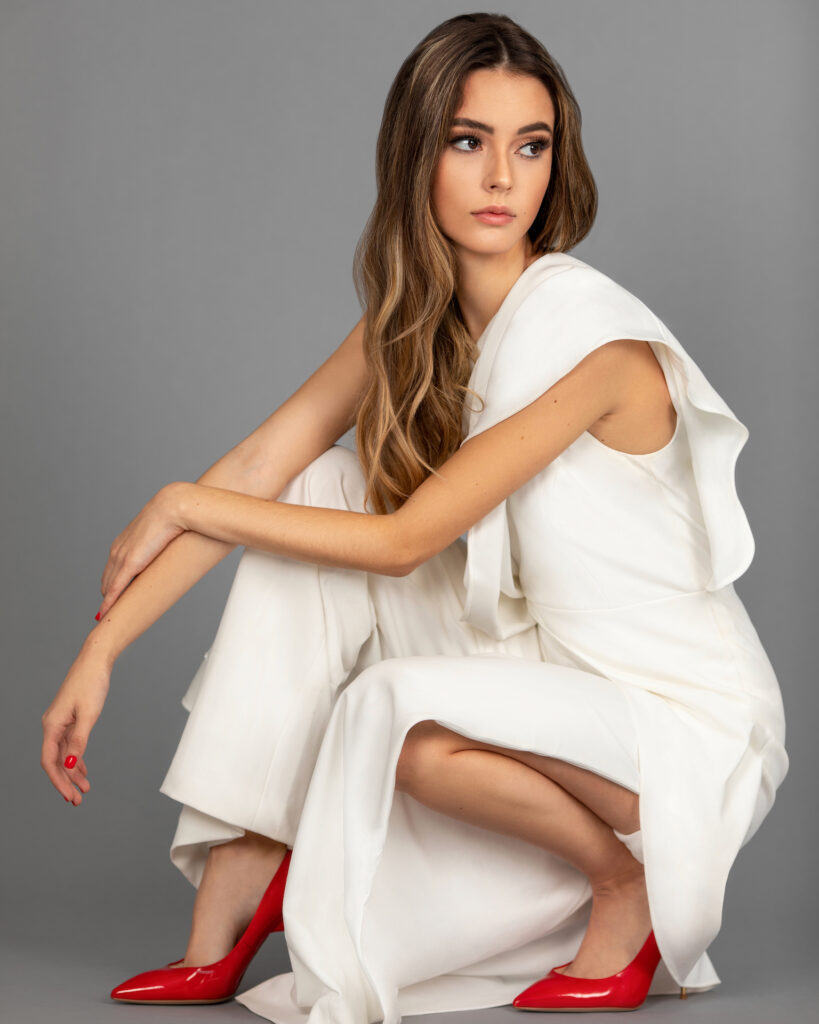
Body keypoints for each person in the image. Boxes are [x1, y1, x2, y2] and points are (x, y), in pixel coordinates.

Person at [40, 11, 789, 1021]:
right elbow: (262, 464)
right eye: (468, 141)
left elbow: (402, 548)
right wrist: (105, 648)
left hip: (665, 721)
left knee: (398, 710)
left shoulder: (599, 351)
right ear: (419, 152)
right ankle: (248, 860)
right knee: (318, 483)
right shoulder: (415, 321)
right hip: (544, 663)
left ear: (555, 165)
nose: (501, 179)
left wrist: (175, 497)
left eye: (532, 147)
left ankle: (627, 884)